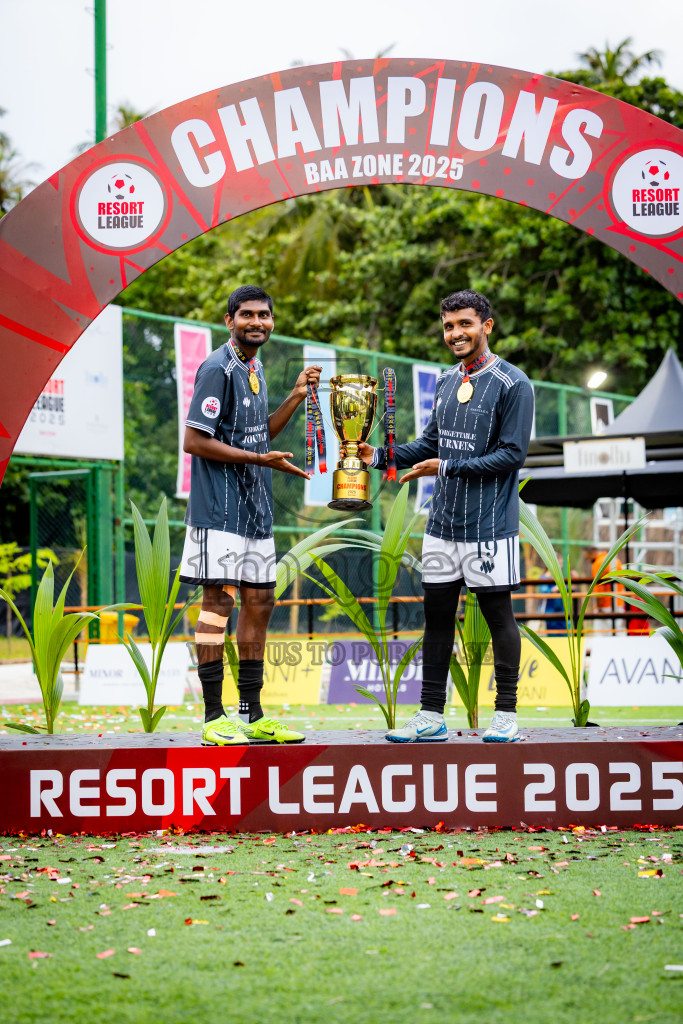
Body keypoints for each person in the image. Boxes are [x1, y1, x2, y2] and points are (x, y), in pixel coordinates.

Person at [359, 289, 534, 743]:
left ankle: (506, 717)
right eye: (449, 326)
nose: (455, 333)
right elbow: (431, 445)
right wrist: (379, 454)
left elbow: (512, 455)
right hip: (441, 526)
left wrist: (447, 467)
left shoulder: (515, 383)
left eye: (465, 324)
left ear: (487, 326)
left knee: (498, 616)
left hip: (489, 526)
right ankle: (431, 716)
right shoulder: (444, 381)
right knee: (436, 619)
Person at [179, 285, 322, 746]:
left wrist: (296, 396)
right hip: (219, 511)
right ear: (229, 320)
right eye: (246, 315)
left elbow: (259, 432)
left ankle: (252, 713)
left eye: (263, 315)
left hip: (256, 512)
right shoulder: (217, 368)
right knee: (219, 605)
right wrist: (259, 460)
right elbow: (194, 441)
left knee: (260, 603)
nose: (256, 321)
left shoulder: (253, 367)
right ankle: (213, 717)